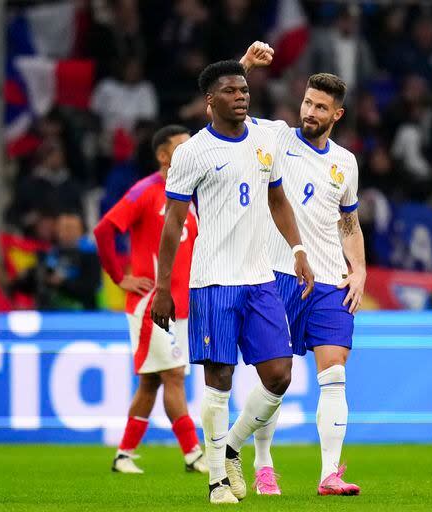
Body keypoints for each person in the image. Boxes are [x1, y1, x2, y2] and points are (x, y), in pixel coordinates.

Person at [150, 60, 314, 504]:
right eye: (230, 91)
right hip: (213, 282)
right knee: (218, 380)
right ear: (210, 102)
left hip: (260, 279)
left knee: (279, 375)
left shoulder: (264, 138)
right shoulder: (192, 153)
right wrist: (164, 287)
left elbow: (277, 197)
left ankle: (232, 447)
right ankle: (217, 480)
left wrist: (298, 250)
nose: (241, 96)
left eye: (244, 89)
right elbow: (173, 224)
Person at [241, 43, 362, 496]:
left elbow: (349, 222)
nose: (310, 111)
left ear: (337, 114)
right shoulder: (275, 137)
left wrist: (360, 269)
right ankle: (262, 462)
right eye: (308, 103)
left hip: (331, 279)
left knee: (334, 371)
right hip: (279, 274)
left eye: (321, 107)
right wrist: (246, 66)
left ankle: (330, 473)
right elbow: (227, 107)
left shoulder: (344, 162)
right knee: (276, 378)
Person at [93, 125, 207, 475]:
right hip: (152, 305)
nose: (190, 153)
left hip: (183, 306)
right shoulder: (146, 191)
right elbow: (104, 229)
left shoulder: (191, 195)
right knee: (173, 376)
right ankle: (194, 454)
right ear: (163, 155)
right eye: (182, 148)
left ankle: (124, 455)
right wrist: (119, 277)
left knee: (152, 381)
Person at [11, 211, 100, 311]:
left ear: (80, 230)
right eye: (61, 228)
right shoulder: (48, 254)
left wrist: (62, 282)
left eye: (69, 228)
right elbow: (31, 285)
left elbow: (90, 288)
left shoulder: (90, 255)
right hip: (48, 313)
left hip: (81, 314)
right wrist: (25, 278)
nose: (65, 232)